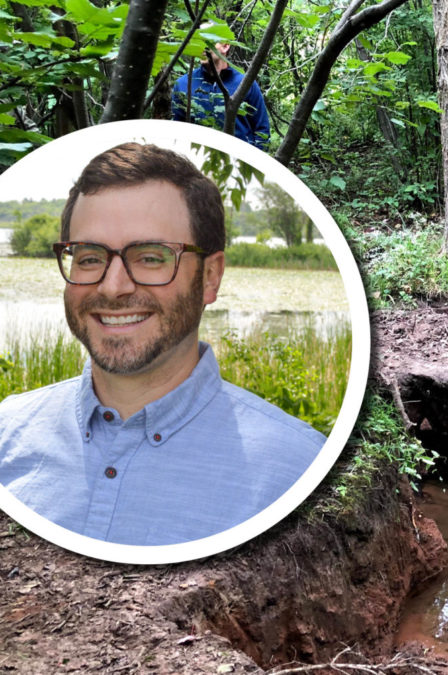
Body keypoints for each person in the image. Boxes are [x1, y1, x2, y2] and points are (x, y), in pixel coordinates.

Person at [0, 143, 326, 546]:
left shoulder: (300, 471)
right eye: (88, 258)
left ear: (210, 277)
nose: (113, 286)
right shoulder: (8, 432)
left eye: (151, 258)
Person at [172, 42, 271, 150]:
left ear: (225, 46)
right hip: (197, 162)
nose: (202, 47)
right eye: (200, 40)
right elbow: (177, 133)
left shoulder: (245, 84)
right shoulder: (183, 84)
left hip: (239, 161)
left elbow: (262, 131)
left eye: (208, 41)